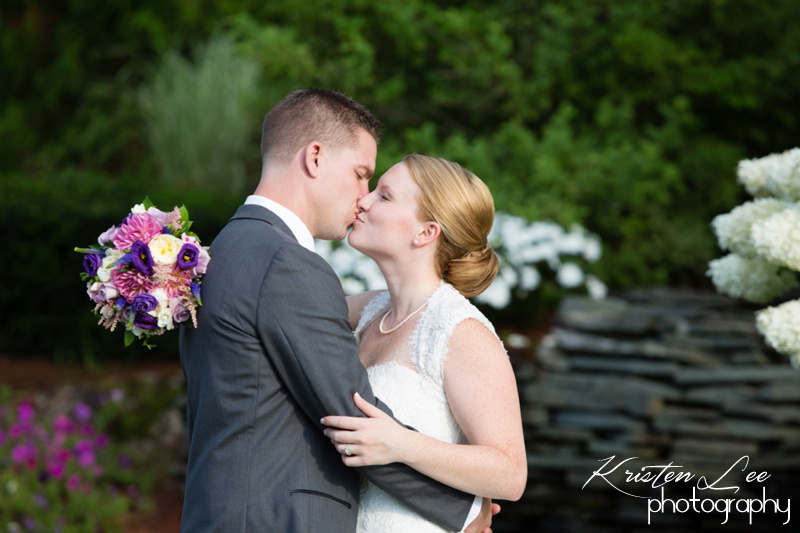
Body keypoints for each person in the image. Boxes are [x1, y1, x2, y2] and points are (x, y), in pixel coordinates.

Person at [179, 89, 495, 532]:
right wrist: (466, 511)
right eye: (361, 174)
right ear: (314, 158)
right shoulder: (286, 263)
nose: (363, 197)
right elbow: (352, 418)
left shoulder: (226, 248)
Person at [321, 154, 527, 532]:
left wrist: (400, 443)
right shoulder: (368, 309)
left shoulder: (459, 331)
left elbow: (510, 474)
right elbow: (287, 311)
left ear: (426, 233)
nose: (363, 200)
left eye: (385, 196)